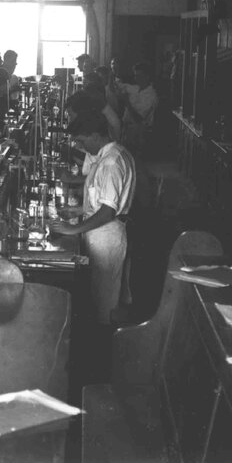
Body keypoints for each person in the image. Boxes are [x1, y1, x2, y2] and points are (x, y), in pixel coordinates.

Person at [52, 109, 136, 325]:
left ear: (96, 136)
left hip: (107, 235)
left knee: (105, 299)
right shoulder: (110, 155)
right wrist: (78, 212)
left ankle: (106, 339)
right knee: (98, 292)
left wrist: (72, 229)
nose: (81, 146)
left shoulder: (111, 163)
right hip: (101, 231)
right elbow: (101, 197)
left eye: (82, 141)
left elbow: (107, 211)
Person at [121, 62, 158, 157]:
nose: (136, 78)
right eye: (135, 75)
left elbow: (138, 118)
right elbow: (118, 87)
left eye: (139, 76)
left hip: (139, 133)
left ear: (147, 76)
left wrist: (127, 102)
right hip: (127, 130)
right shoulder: (135, 88)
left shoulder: (151, 95)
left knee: (136, 159)